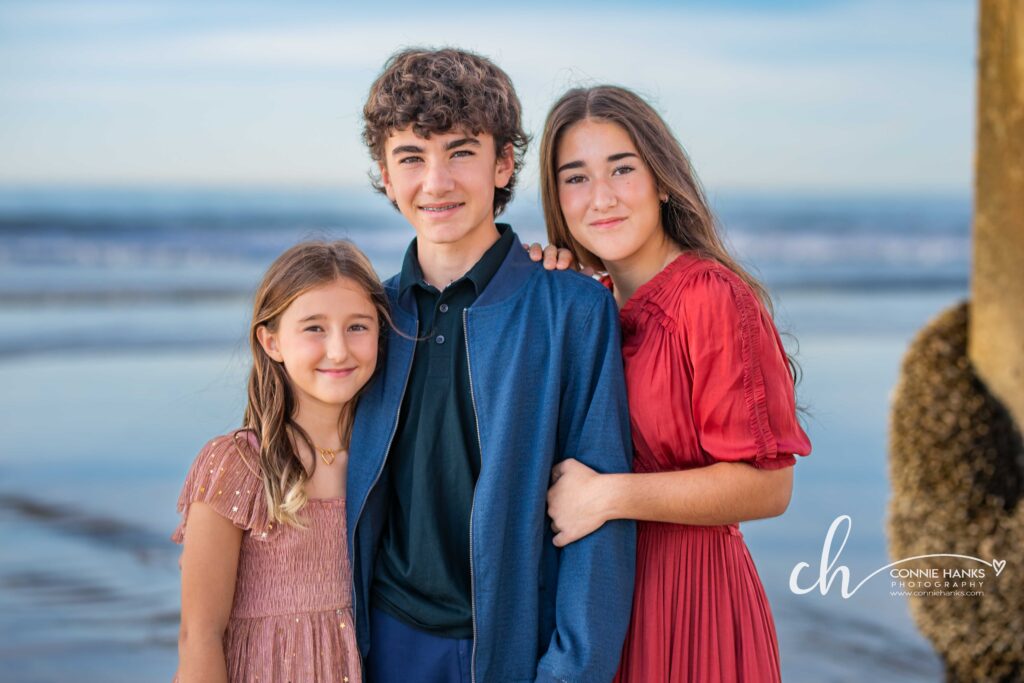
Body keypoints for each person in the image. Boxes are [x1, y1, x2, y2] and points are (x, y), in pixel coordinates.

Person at [347, 48, 636, 683]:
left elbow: (599, 524)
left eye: (461, 152)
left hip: (512, 646)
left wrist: (571, 672)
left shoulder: (575, 309)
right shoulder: (367, 319)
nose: (437, 181)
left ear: (503, 163)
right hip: (383, 642)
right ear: (385, 174)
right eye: (411, 158)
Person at [537, 85, 812, 683]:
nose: (601, 198)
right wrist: (534, 288)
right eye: (576, 178)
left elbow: (769, 488)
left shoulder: (710, 298)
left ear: (661, 179)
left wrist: (610, 496)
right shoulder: (591, 307)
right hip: (603, 606)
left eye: (622, 169)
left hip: (694, 606)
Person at [173, 240, 388, 683]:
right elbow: (199, 636)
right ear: (271, 341)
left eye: (357, 327)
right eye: (314, 328)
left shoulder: (384, 459)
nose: (338, 350)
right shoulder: (237, 465)